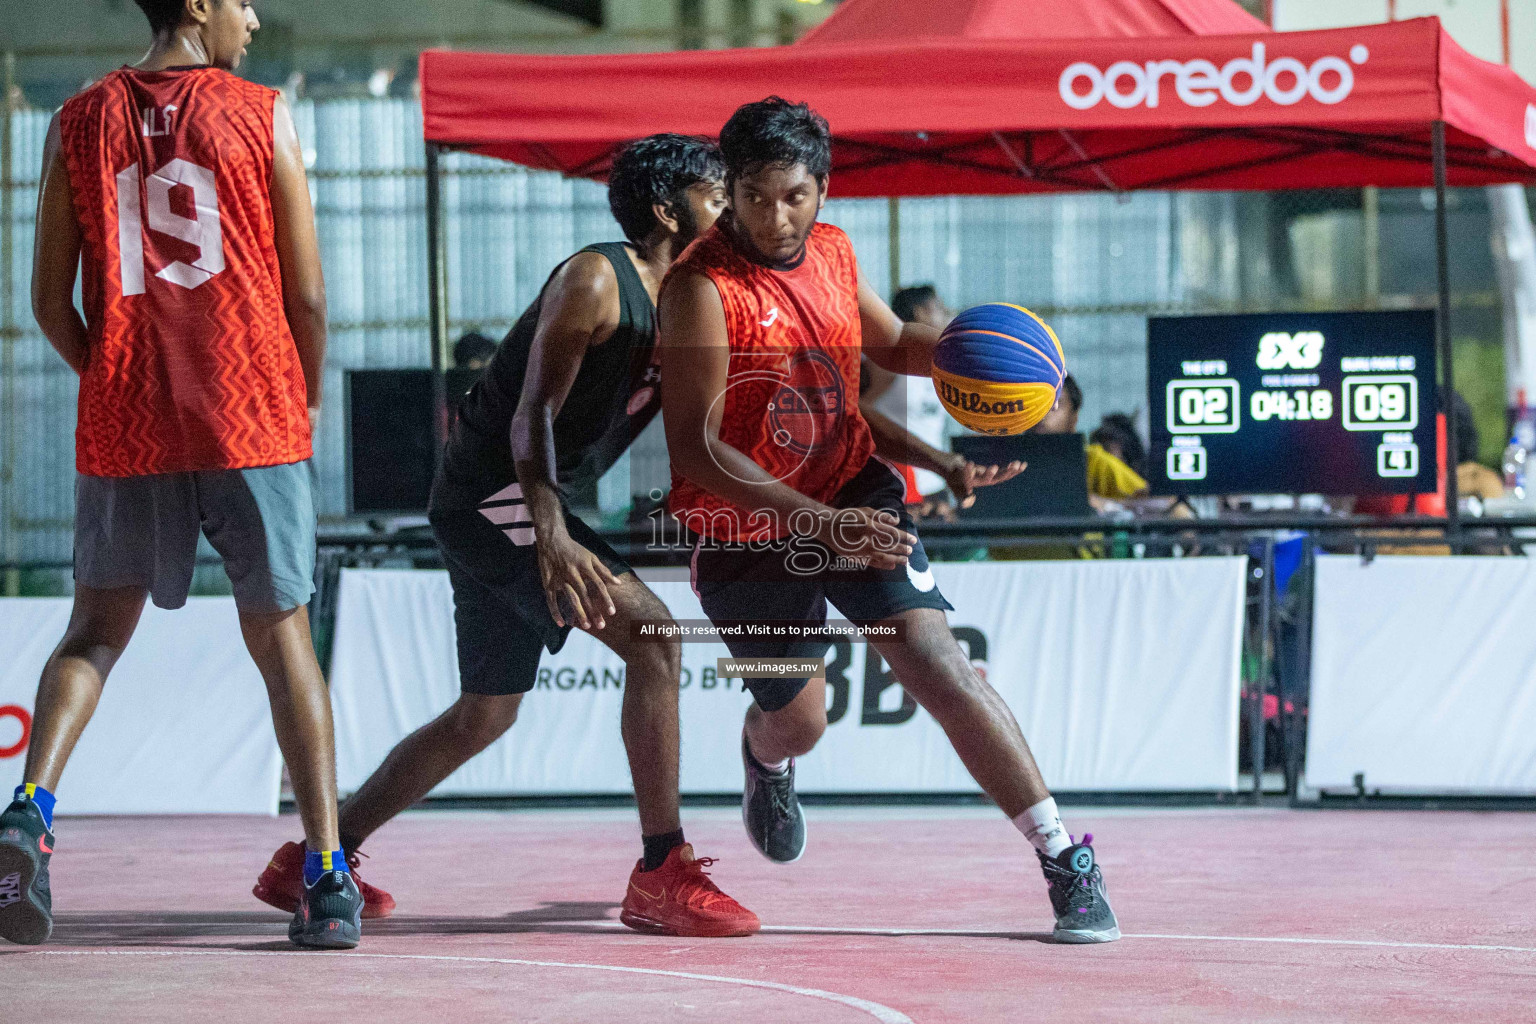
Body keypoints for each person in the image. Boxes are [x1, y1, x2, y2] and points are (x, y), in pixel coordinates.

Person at [252, 134, 760, 938]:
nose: (731, 208)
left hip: (516, 500)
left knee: (485, 714)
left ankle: (317, 857)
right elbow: (532, 416)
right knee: (656, 643)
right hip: (495, 492)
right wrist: (554, 536)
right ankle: (663, 867)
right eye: (716, 193)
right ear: (668, 209)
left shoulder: (695, 298)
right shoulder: (598, 280)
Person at [658, 97, 1120, 943]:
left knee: (939, 664)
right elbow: (695, 451)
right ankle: (768, 758)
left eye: (793, 194)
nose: (774, 215)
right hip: (745, 530)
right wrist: (819, 529)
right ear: (731, 191)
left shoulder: (831, 252)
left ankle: (1065, 858)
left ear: (823, 188)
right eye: (754, 196)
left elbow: (894, 343)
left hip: (852, 493)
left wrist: (979, 355)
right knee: (801, 720)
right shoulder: (700, 287)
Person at [4, 0, 362, 949]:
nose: (253, 16)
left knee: (92, 632)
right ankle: (328, 877)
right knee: (285, 642)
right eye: (243, 0)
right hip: (251, 413)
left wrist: (122, 382)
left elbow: (48, 299)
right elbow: (309, 292)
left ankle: (28, 810)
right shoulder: (260, 111)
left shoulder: (76, 118)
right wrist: (307, 400)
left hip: (129, 419)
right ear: (201, 4)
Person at [862, 285, 964, 519]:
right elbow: (854, 411)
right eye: (939, 307)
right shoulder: (888, 361)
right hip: (894, 485)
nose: (948, 312)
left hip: (935, 481)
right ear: (919, 313)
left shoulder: (942, 367)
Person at [1033, 375, 1149, 503]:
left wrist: (1103, 504)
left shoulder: (1093, 462)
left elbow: (1149, 499)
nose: (1042, 414)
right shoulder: (1009, 461)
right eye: (1034, 404)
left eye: (1055, 406)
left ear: (1074, 416)